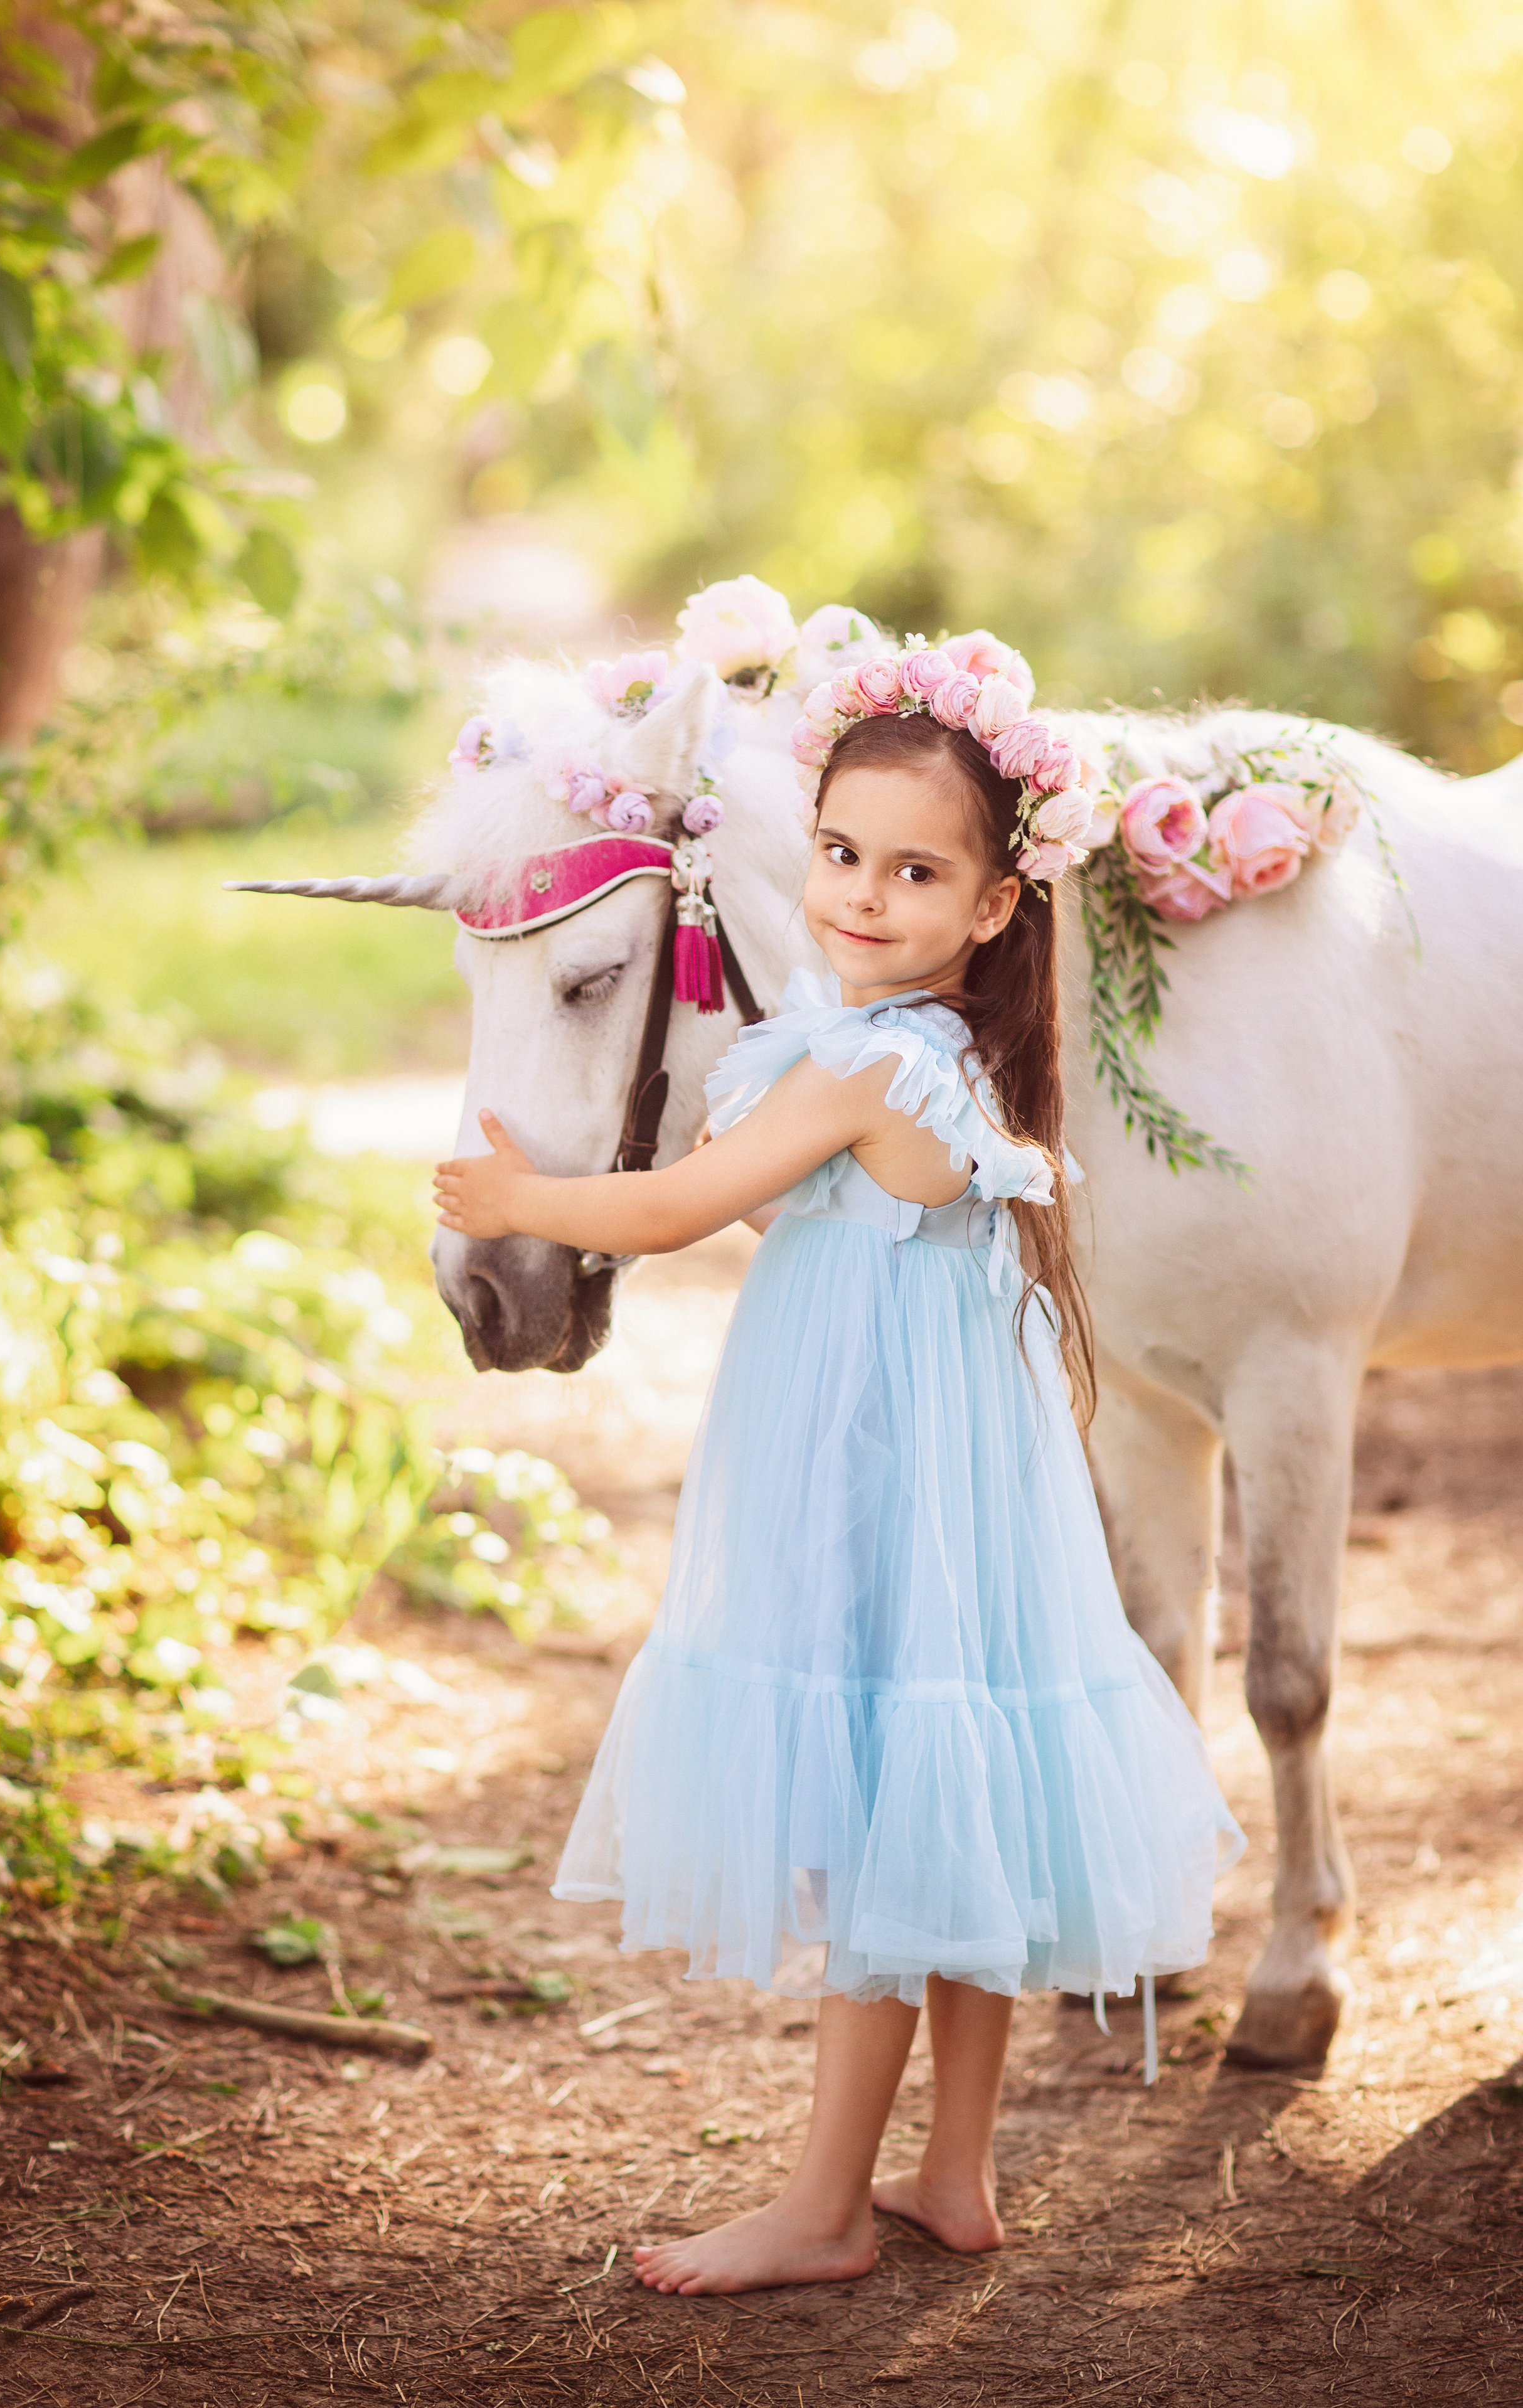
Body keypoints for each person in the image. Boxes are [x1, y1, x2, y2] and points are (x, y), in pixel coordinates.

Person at [433, 644, 1244, 2299]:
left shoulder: (865, 1063)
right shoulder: (929, 1053)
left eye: (918, 870)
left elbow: (669, 1209)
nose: (865, 894)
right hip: (958, 1491)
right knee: (960, 1814)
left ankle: (823, 2207)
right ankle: (954, 2172)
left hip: (880, 1477)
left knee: (896, 1818)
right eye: (843, 853)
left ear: (999, 906)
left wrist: (525, 1211)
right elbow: (766, 1198)